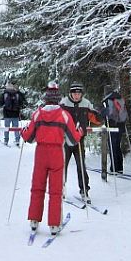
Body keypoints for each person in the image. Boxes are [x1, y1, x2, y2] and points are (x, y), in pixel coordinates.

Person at [21, 83, 81, 236]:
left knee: (37, 187)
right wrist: (79, 132)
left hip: (41, 153)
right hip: (56, 153)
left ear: (46, 98)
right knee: (55, 190)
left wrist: (23, 131)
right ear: (58, 99)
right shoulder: (64, 115)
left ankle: (34, 220)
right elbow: (73, 140)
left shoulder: (38, 114)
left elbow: (28, 137)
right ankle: (54, 224)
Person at [59, 81, 99, 203]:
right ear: (70, 93)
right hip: (65, 140)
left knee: (81, 165)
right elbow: (57, 117)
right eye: (74, 93)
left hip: (79, 140)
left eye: (79, 93)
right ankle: (61, 189)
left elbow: (95, 118)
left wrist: (101, 115)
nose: (77, 95)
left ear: (82, 94)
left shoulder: (86, 103)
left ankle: (84, 191)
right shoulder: (64, 103)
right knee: (62, 165)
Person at [102, 90, 128, 174]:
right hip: (121, 126)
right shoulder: (120, 99)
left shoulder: (108, 100)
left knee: (112, 147)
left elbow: (107, 114)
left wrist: (103, 112)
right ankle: (120, 168)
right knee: (117, 146)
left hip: (112, 126)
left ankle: (114, 168)